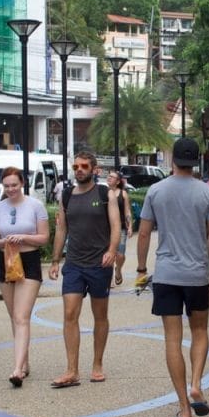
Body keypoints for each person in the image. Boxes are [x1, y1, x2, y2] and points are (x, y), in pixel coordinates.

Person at [136, 138, 209, 417]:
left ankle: (184, 408)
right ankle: (197, 383)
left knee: (172, 340)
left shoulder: (155, 191)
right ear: (196, 161)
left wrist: (140, 268)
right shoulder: (207, 192)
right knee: (199, 331)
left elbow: (145, 234)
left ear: (172, 159)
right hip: (196, 274)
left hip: (166, 275)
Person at [48, 151, 121, 388]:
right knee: (70, 314)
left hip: (99, 264)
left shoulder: (104, 193)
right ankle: (72, 370)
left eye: (84, 166)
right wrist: (55, 260)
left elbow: (116, 226)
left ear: (94, 169)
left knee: (100, 316)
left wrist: (111, 250)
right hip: (74, 264)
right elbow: (61, 229)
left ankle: (97, 364)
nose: (79, 170)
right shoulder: (67, 195)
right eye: (76, 166)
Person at [0, 166, 50, 387]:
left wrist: (23, 237)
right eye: (6, 186)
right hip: (7, 261)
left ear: (22, 183)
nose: (11, 189)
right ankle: (24, 362)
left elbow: (44, 237)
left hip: (29, 262)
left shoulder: (35, 206)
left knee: (22, 316)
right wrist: (6, 242)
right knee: (14, 316)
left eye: (14, 185)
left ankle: (17, 370)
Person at [106, 170, 134, 286]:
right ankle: (109, 278)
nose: (109, 178)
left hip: (121, 228)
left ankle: (118, 269)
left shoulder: (123, 193)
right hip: (106, 228)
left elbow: (127, 210)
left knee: (120, 254)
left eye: (112, 177)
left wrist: (130, 226)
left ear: (118, 181)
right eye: (108, 176)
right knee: (108, 253)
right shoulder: (104, 192)